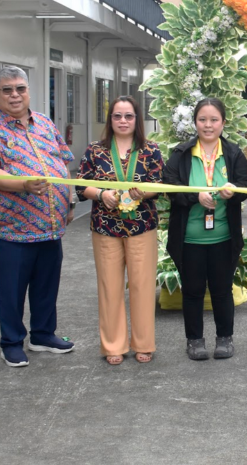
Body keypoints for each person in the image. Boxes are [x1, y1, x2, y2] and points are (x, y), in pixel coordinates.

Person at [0, 65, 76, 368]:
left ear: (28, 91)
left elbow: (62, 162)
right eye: (7, 90)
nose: (14, 95)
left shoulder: (44, 123)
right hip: (13, 229)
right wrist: (23, 185)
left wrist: (69, 202)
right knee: (12, 290)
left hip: (51, 226)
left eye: (20, 88)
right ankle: (11, 342)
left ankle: (42, 335)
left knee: (47, 285)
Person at [163, 98, 247, 360]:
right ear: (195, 122)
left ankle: (225, 338)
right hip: (189, 238)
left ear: (223, 123)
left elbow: (245, 185)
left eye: (214, 120)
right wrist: (195, 196)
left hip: (223, 237)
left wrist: (233, 192)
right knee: (192, 291)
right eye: (202, 119)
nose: (208, 125)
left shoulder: (233, 153)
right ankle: (194, 340)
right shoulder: (182, 153)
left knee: (222, 290)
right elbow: (169, 186)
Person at [78, 96, 163, 365]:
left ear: (137, 119)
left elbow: (160, 184)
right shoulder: (95, 150)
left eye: (128, 116)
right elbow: (81, 185)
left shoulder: (151, 149)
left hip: (142, 226)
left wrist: (144, 192)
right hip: (105, 227)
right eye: (117, 116)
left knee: (142, 286)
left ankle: (143, 343)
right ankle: (113, 345)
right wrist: (101, 194)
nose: (123, 121)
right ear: (110, 119)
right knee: (109, 287)